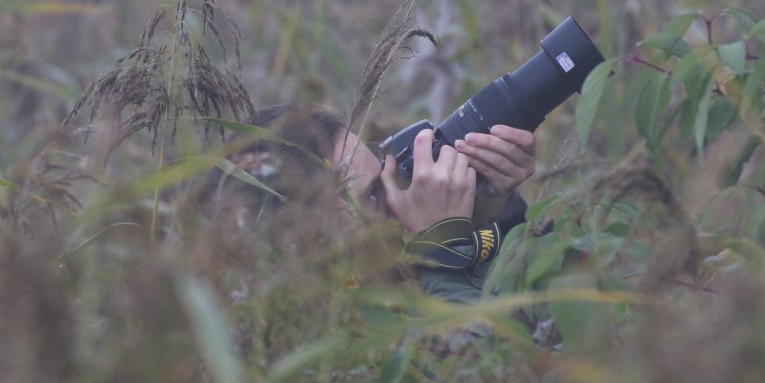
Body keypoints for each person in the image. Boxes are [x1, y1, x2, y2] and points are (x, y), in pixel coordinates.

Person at [202, 103, 536, 303]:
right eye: (372, 196)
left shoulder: (395, 293)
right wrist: (442, 243)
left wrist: (495, 213)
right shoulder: (312, 358)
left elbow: (537, 337)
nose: (399, 199)